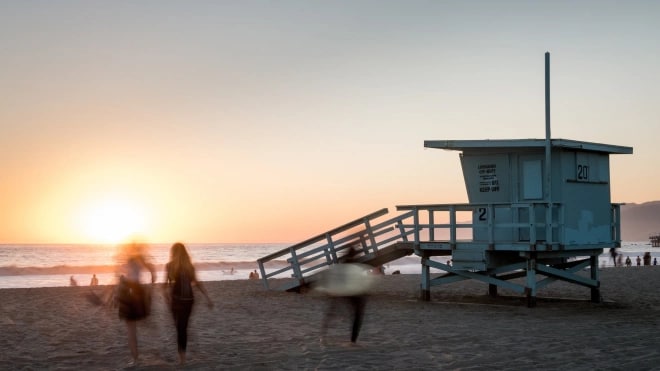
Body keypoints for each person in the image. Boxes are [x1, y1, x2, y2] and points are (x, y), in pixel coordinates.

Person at [164, 242, 213, 365]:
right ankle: (183, 358)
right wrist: (207, 298)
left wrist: (166, 298)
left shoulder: (169, 266)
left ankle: (182, 360)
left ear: (173, 253)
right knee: (182, 328)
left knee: (179, 328)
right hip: (188, 300)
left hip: (176, 300)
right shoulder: (189, 267)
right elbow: (197, 282)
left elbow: (164, 286)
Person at [114, 241, 156, 366]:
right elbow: (151, 270)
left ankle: (135, 359)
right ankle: (135, 358)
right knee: (133, 327)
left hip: (129, 292)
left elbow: (124, 278)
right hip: (137, 290)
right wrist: (152, 283)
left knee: (131, 330)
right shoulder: (139, 259)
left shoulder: (130, 259)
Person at [320, 246, 367, 344]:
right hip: (351, 292)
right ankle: (353, 340)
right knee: (357, 315)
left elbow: (332, 275)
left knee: (331, 312)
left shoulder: (342, 263)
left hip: (340, 291)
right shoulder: (355, 264)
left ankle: (323, 336)